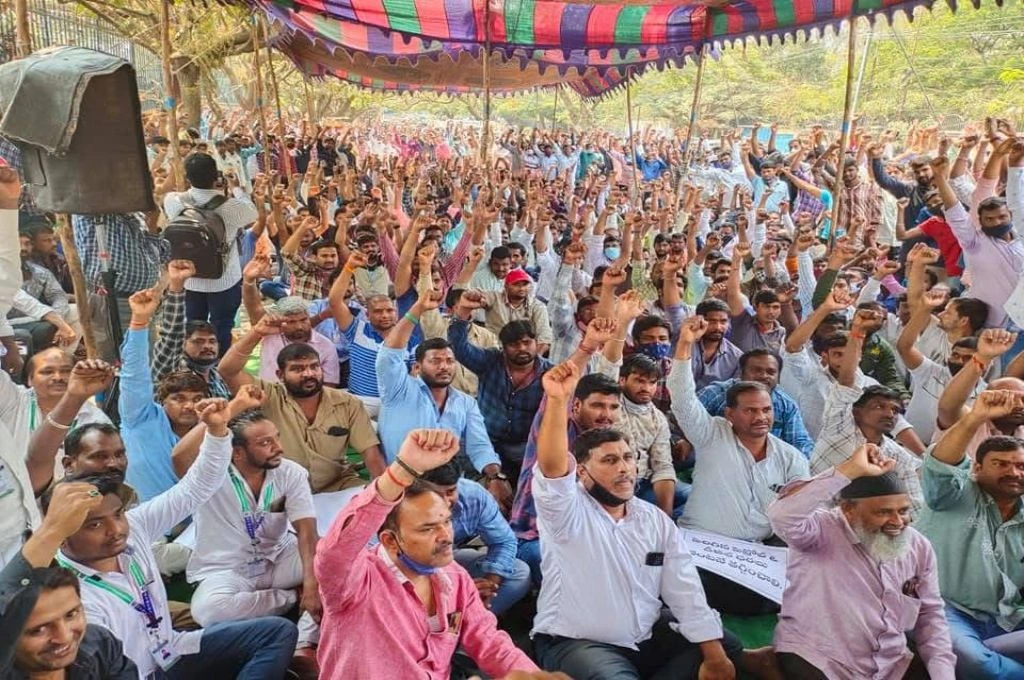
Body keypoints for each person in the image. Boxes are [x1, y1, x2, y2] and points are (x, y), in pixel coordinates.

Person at [530, 360, 755, 680]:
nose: (624, 468)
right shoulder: (567, 512)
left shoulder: (654, 520)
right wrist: (556, 400)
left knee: (722, 644)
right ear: (582, 471)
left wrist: (714, 654)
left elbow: (684, 587)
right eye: (609, 460)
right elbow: (552, 466)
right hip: (580, 643)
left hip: (647, 636)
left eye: (628, 458)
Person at [50, 400, 298, 679]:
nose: (115, 530)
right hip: (138, 674)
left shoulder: (134, 525)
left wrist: (216, 432)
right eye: (95, 524)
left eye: (117, 515)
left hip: (172, 650)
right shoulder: (69, 598)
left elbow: (196, 488)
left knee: (277, 633)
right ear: (61, 536)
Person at [313, 428, 539, 679]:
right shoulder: (357, 582)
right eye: (428, 528)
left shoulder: (456, 579)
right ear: (390, 540)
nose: (446, 536)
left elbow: (491, 644)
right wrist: (402, 471)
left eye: (446, 521)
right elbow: (335, 551)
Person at [768, 443, 956, 679]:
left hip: (891, 662)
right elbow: (781, 515)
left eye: (903, 510)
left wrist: (943, 674)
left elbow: (931, 615)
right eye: (884, 512)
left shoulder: (918, 547)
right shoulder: (820, 530)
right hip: (820, 658)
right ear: (848, 509)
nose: (898, 522)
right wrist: (850, 469)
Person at [172, 389, 321, 678]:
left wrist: (313, 583)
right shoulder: (211, 473)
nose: (278, 447)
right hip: (226, 569)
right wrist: (225, 414)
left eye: (276, 437)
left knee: (333, 560)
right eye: (265, 443)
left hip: (278, 558)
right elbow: (179, 457)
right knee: (210, 611)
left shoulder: (290, 472)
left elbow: (306, 529)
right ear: (237, 452)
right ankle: (289, 599)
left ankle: (304, 642)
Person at [669, 315, 808, 615]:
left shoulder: (790, 457)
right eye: (751, 411)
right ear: (730, 414)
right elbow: (681, 399)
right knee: (686, 586)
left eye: (766, 410)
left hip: (754, 557)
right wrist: (684, 344)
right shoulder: (711, 434)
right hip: (700, 550)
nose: (761, 417)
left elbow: (800, 509)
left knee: (792, 589)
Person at [915, 390, 1024, 678]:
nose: (1014, 472)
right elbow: (941, 463)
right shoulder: (954, 494)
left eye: (1021, 465)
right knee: (975, 662)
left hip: (1008, 618)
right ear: (977, 468)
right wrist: (975, 417)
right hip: (946, 611)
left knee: (979, 657)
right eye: (1000, 464)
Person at [375, 289, 513, 511]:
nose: (444, 366)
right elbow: (389, 355)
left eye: (449, 361)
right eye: (436, 361)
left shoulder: (466, 402)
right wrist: (416, 309)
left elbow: (480, 446)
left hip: (448, 488)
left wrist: (496, 477)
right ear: (417, 367)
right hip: (401, 487)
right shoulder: (398, 390)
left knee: (497, 503)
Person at [0, 482, 138, 679]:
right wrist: (53, 530)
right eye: (39, 630)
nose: (64, 637)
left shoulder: (100, 646)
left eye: (72, 614)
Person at [219, 331, 386, 492]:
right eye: (297, 369)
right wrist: (256, 333)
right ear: (280, 375)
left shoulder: (348, 403)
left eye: (314, 367)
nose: (308, 374)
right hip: (281, 489)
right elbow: (227, 371)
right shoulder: (268, 395)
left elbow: (370, 452)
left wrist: (384, 496)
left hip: (336, 484)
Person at [809, 308, 925, 516]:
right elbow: (846, 382)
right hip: (820, 522)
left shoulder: (895, 455)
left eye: (894, 410)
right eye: (879, 406)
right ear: (856, 412)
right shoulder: (838, 428)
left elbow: (915, 507)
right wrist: (857, 333)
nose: (890, 414)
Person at [119, 287, 211, 501]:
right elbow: (134, 373)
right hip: (141, 525)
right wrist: (139, 322)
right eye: (178, 399)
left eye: (197, 399)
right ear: (161, 401)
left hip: (196, 527)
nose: (189, 406)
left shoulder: (212, 433)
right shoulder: (140, 418)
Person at [164, 152, 258, 353]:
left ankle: (193, 363)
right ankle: (219, 367)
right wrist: (236, 189)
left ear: (187, 177)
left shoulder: (173, 201)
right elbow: (253, 212)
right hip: (224, 279)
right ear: (216, 176)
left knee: (192, 327)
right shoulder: (231, 207)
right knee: (222, 327)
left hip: (189, 278)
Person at [448, 311, 550, 481]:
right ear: (503, 348)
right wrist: (463, 315)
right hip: (485, 440)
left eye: (527, 342)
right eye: (514, 344)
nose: (522, 348)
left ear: (536, 342)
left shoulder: (550, 374)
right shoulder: (490, 361)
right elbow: (459, 348)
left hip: (526, 446)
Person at [420, 461, 532, 616]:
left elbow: (504, 541)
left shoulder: (473, 495)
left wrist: (488, 585)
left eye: (450, 491)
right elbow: (387, 565)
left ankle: (470, 623)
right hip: (412, 572)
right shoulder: (400, 503)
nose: (445, 501)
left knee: (518, 572)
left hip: (449, 561)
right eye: (436, 494)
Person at [329, 251, 409, 417]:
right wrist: (349, 267)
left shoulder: (409, 340)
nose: (385, 315)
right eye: (378, 311)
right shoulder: (357, 330)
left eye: (389, 311)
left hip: (395, 404)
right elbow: (335, 301)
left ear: (396, 313)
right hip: (360, 402)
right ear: (367, 314)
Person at [698, 349, 814, 458]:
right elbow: (685, 416)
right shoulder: (716, 393)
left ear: (778, 377)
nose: (764, 376)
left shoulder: (786, 404)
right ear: (741, 373)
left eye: (771, 372)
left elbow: (800, 442)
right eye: (757, 370)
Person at [151, 259, 232, 398]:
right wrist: (177, 286)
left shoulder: (215, 376)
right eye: (198, 342)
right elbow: (172, 336)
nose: (207, 346)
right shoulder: (173, 372)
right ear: (182, 344)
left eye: (212, 341)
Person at [460, 269, 553, 356]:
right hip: (495, 352)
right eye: (516, 284)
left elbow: (544, 339)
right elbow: (480, 296)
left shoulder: (538, 306)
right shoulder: (495, 298)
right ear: (506, 286)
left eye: (525, 285)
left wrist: (531, 362)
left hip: (523, 354)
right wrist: (475, 295)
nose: (521, 288)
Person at [725, 244, 787, 354]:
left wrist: (767, 257)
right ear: (755, 307)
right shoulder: (743, 322)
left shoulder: (781, 333)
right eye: (766, 307)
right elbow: (732, 294)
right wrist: (736, 260)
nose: (771, 311)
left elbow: (771, 280)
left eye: (775, 307)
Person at [690, 299, 742, 391]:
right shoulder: (685, 346)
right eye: (712, 321)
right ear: (699, 320)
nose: (718, 327)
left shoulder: (736, 356)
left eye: (723, 322)